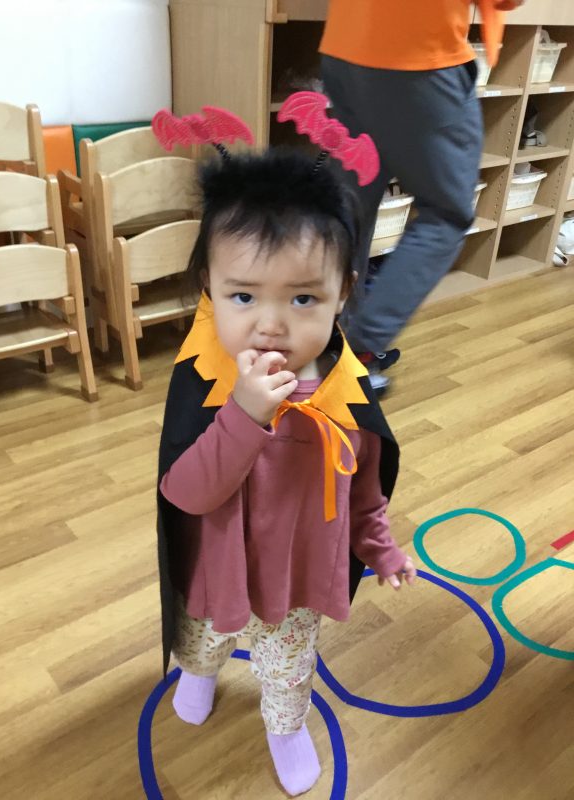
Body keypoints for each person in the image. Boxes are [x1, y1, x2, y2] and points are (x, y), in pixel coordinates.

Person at [157, 148, 416, 796]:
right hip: (217, 565)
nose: (270, 326)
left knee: (289, 667)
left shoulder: (346, 394)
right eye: (243, 295)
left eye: (303, 297)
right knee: (202, 639)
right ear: (209, 288)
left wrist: (380, 548)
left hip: (297, 577)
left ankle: (285, 727)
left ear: (342, 292)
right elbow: (186, 492)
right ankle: (200, 674)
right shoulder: (203, 379)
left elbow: (364, 492)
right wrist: (244, 414)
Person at [320, 0, 526, 392]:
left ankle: (322, 343)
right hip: (419, 54)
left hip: (345, 48)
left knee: (348, 209)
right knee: (446, 215)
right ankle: (360, 349)